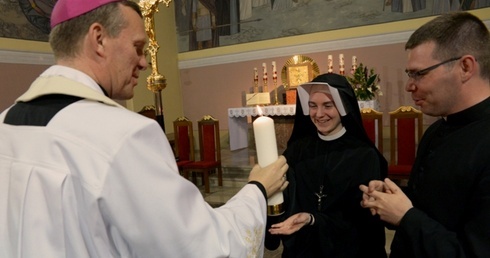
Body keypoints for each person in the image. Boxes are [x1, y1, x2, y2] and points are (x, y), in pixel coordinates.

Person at [0, 0, 289, 257]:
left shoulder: (5, 123)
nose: (144, 63)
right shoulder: (123, 135)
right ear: (99, 39)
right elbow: (203, 247)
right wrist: (257, 190)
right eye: (138, 48)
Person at [360, 12, 490, 257]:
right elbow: (432, 204)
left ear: (465, 67)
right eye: (410, 74)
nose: (410, 85)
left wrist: (405, 217)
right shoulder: (436, 130)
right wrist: (391, 198)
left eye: (419, 73)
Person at [266, 73, 388, 257]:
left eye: (328, 106)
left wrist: (314, 219)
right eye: (313, 106)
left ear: (343, 107)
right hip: (305, 247)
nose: (319, 114)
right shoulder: (298, 149)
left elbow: (362, 220)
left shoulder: (364, 155)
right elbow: (282, 192)